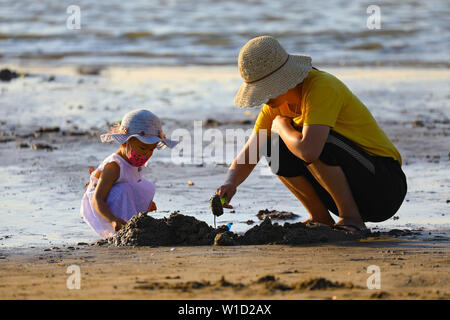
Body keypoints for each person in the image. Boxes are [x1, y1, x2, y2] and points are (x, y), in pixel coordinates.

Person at [216, 36, 407, 234]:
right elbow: (252, 150)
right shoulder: (274, 105)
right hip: (349, 188)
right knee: (272, 145)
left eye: (266, 89)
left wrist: (282, 126)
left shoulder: (321, 86)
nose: (264, 98)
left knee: (315, 140)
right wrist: (230, 183)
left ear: (284, 79)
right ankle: (320, 217)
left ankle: (351, 218)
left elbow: (309, 151)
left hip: (383, 186)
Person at [81, 109, 178, 239]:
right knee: (124, 190)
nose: (146, 154)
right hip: (100, 205)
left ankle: (131, 223)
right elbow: (97, 200)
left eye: (151, 149)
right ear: (124, 142)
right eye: (143, 148)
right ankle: (120, 228)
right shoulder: (114, 167)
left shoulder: (134, 161)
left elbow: (135, 183)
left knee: (144, 186)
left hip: (118, 192)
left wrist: (144, 203)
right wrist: (112, 219)